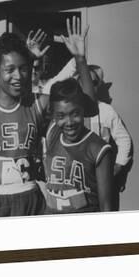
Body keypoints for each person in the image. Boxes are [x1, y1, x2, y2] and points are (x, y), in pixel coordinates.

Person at [0, 17, 98, 218]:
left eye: (23, 68)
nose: (18, 76)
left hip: (29, 201)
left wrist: (80, 59)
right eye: (9, 70)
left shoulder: (38, 104)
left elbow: (89, 107)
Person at [43, 78, 115, 213]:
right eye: (61, 116)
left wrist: (81, 61)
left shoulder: (98, 149)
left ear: (84, 111)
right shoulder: (53, 134)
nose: (69, 122)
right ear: (53, 116)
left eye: (75, 114)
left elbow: (106, 206)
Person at [85, 65, 133, 206]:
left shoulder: (106, 110)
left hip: (100, 177)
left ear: (97, 86)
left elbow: (124, 140)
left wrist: (118, 167)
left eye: (93, 82)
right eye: (83, 81)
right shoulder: (71, 111)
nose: (88, 86)